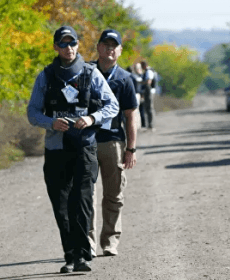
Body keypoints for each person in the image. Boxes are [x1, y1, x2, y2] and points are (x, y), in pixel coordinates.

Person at [27, 26, 119, 273]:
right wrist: (50, 122)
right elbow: (32, 112)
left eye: (73, 43)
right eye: (64, 44)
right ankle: (69, 255)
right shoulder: (45, 76)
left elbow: (113, 105)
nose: (69, 48)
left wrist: (92, 118)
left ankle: (82, 255)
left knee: (82, 201)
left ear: (78, 45)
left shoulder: (91, 74)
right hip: (56, 148)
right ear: (56, 47)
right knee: (62, 204)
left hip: (85, 147)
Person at [88, 29, 139, 257]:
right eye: (105, 44)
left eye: (114, 45)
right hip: (85, 142)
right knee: (84, 194)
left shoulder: (125, 79)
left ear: (119, 50)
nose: (109, 49)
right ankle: (86, 244)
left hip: (113, 143)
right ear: (98, 47)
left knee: (114, 195)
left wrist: (131, 148)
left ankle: (109, 241)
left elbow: (131, 116)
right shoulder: (84, 73)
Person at [140, 61, 155, 131]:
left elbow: (149, 81)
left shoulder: (149, 71)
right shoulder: (147, 71)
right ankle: (149, 124)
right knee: (147, 108)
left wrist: (141, 82)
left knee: (149, 108)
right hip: (147, 90)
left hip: (149, 90)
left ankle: (151, 125)